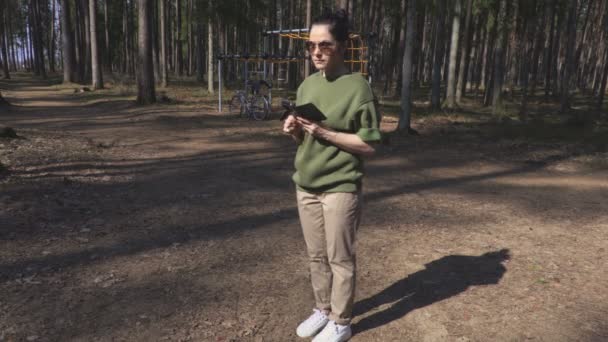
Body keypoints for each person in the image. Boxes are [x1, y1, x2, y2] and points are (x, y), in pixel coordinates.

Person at [282, 9, 381, 342]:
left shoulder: (358, 88)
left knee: (340, 257)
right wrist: (294, 130)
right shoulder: (307, 85)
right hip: (306, 185)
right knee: (316, 255)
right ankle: (322, 309)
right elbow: (305, 139)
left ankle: (341, 321)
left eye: (324, 45)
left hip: (340, 185)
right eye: (311, 46)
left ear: (343, 45)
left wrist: (325, 133)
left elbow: (369, 145)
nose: (316, 53)